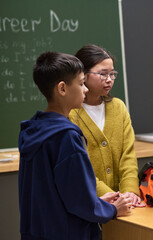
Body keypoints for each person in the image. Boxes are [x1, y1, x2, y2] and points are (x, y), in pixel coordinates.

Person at [18, 52, 133, 240]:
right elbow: (79, 203)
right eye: (81, 84)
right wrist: (112, 209)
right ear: (62, 88)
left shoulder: (33, 130)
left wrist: (96, 201)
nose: (85, 89)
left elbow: (61, 194)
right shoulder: (66, 137)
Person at [69, 44, 144, 207]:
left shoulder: (118, 107)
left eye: (112, 74)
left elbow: (128, 155)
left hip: (124, 203)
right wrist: (111, 197)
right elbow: (80, 168)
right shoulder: (71, 113)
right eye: (103, 74)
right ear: (83, 75)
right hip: (91, 203)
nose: (109, 79)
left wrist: (129, 192)